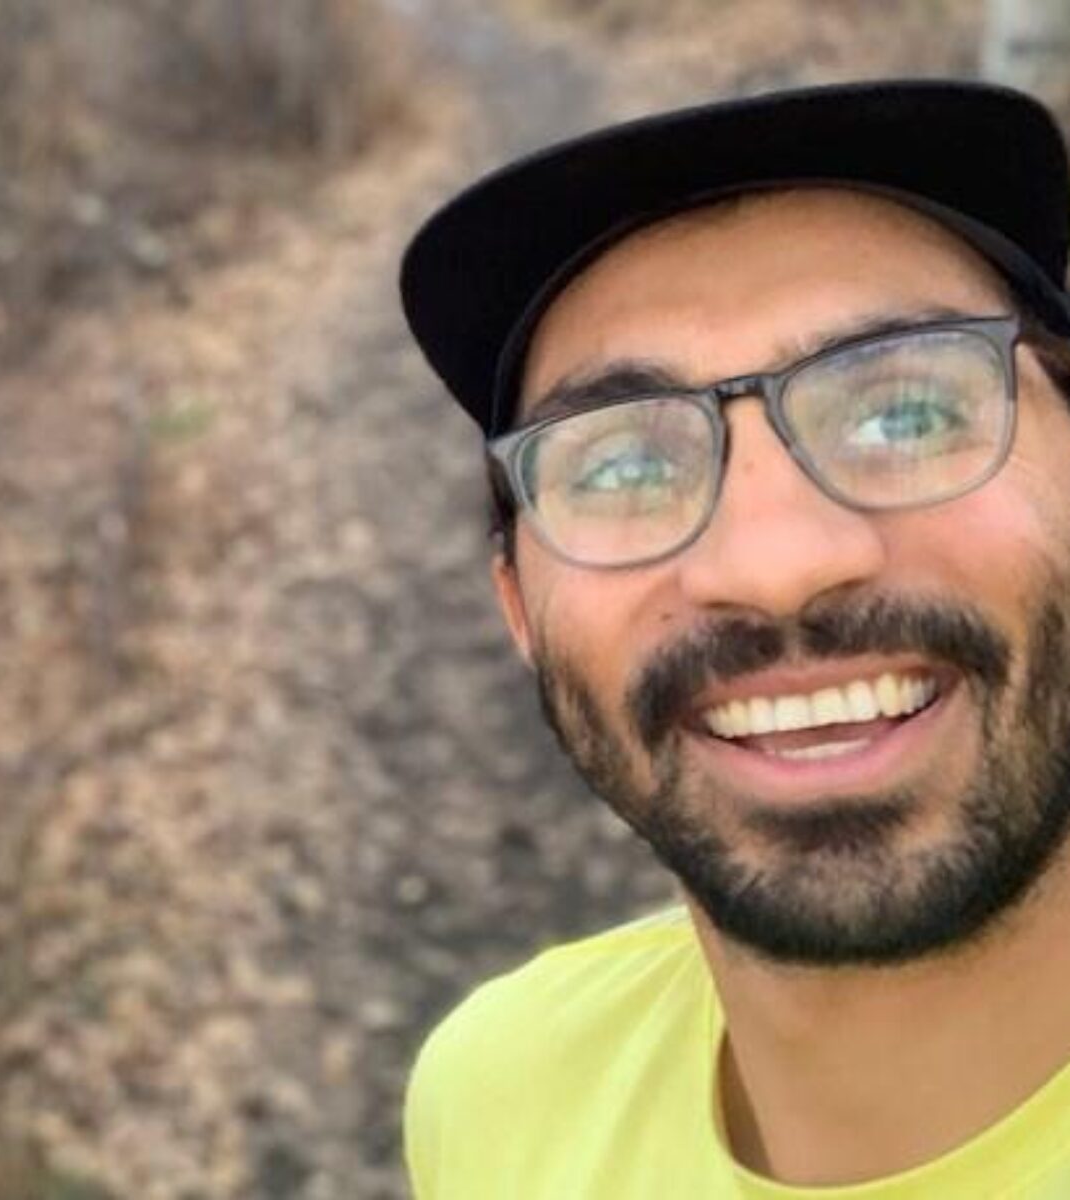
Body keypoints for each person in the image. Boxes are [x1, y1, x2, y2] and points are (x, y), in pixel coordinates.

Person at [397, 79, 1070, 1196]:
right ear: (520, 608)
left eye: (907, 414)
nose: (776, 566)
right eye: (622, 466)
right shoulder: (496, 1098)